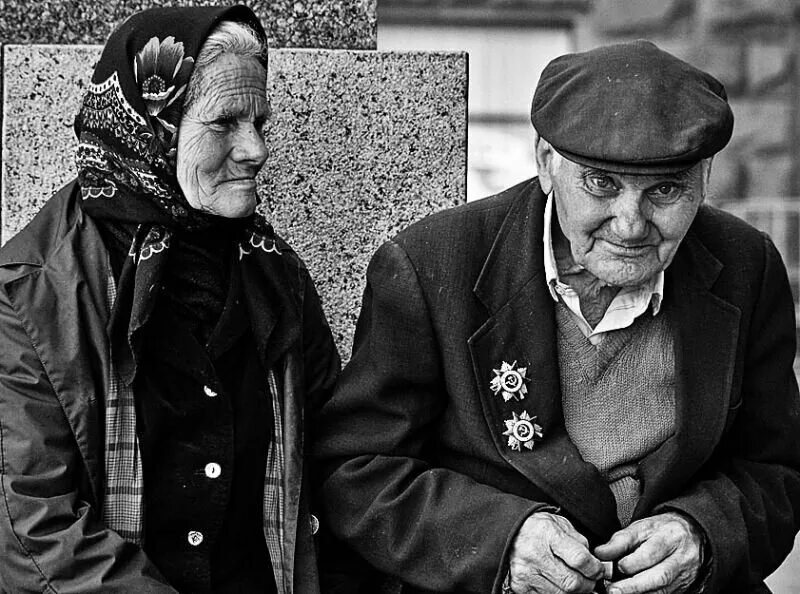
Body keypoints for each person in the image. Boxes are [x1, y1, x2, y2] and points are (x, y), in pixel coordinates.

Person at [313, 40, 800, 594]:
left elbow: (776, 472)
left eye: (666, 190)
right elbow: (355, 468)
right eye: (601, 183)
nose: (630, 224)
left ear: (706, 176)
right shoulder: (432, 264)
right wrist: (501, 541)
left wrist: (704, 534)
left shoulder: (746, 265)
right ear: (546, 161)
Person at [0, 6, 339, 593]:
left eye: (260, 120)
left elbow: (340, 457)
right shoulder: (31, 292)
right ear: (149, 127)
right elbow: (33, 527)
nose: (255, 148)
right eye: (225, 122)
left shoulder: (276, 276)